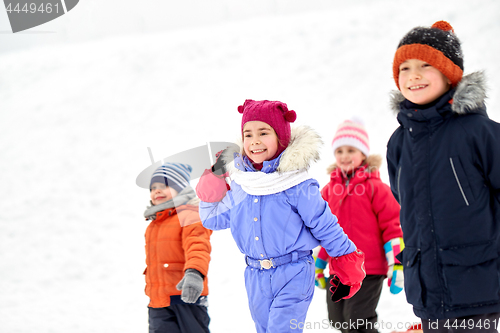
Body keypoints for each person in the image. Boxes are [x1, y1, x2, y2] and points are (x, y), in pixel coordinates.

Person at [195, 99, 366, 333]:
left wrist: (347, 265)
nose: (254, 140)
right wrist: (214, 179)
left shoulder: (297, 185)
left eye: (263, 132)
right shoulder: (242, 185)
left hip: (294, 272)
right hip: (255, 275)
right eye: (248, 134)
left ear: (281, 138)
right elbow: (212, 219)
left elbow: (325, 226)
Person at [387, 20, 500, 333]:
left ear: (449, 72)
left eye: (426, 65)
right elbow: (404, 200)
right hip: (426, 289)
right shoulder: (399, 142)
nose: (414, 76)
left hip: (479, 285)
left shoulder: (478, 133)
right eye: (405, 68)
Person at [314, 118, 404, 333]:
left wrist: (397, 265)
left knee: (357, 321)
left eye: (351, 150)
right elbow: (322, 231)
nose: (344, 156)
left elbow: (393, 228)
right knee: (338, 321)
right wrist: (318, 264)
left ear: (363, 154)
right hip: (338, 269)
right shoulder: (328, 191)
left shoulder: (376, 188)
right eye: (340, 151)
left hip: (369, 268)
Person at [143, 162, 212, 333]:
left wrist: (194, 273)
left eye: (164, 185)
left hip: (187, 296)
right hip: (158, 300)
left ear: (180, 189)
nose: (156, 191)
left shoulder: (189, 214)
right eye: (153, 188)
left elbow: (198, 246)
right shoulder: (154, 224)